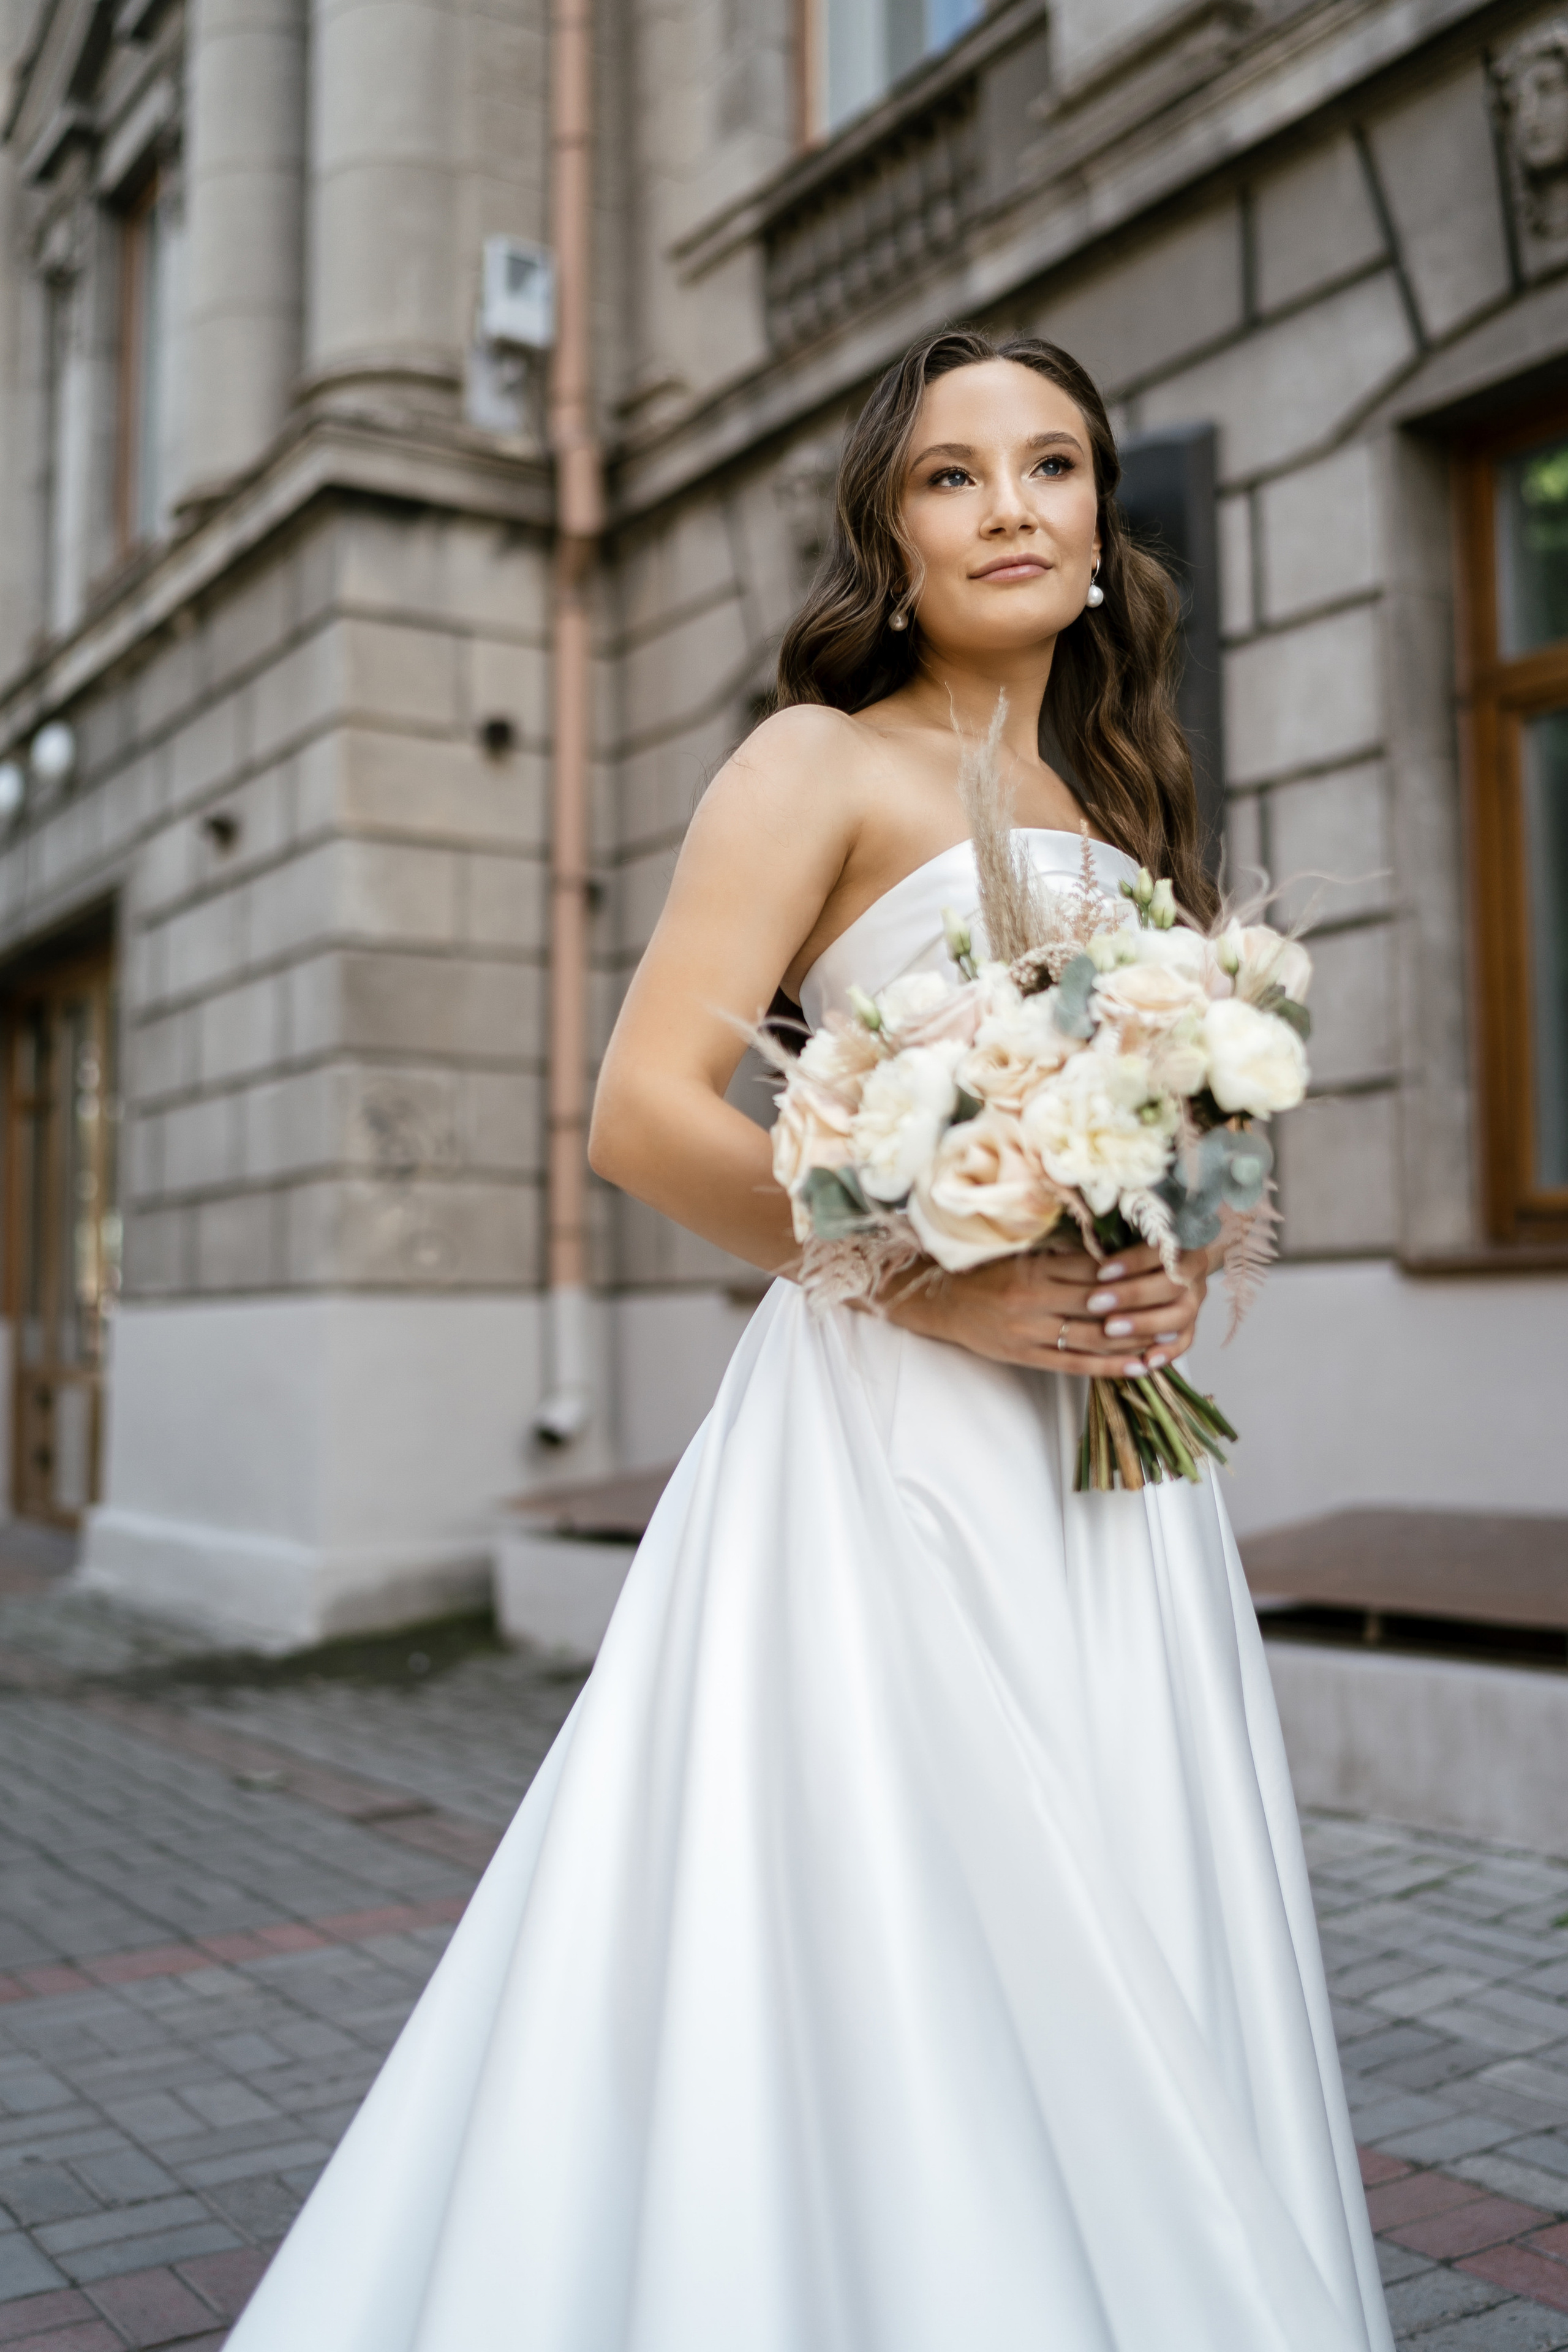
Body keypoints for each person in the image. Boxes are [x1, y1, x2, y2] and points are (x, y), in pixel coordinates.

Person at [228, 331, 1393, 2351]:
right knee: (903, 1917)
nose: (1012, 506)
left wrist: (1179, 1262)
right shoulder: (815, 762)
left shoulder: (1115, 793)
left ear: (1108, 528)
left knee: (1121, 1892)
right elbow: (645, 1109)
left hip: (1108, 1473)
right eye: (955, 477)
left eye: (1053, 465)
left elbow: (1180, 1139)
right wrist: (933, 1274)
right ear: (893, 532)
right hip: (892, 1448)